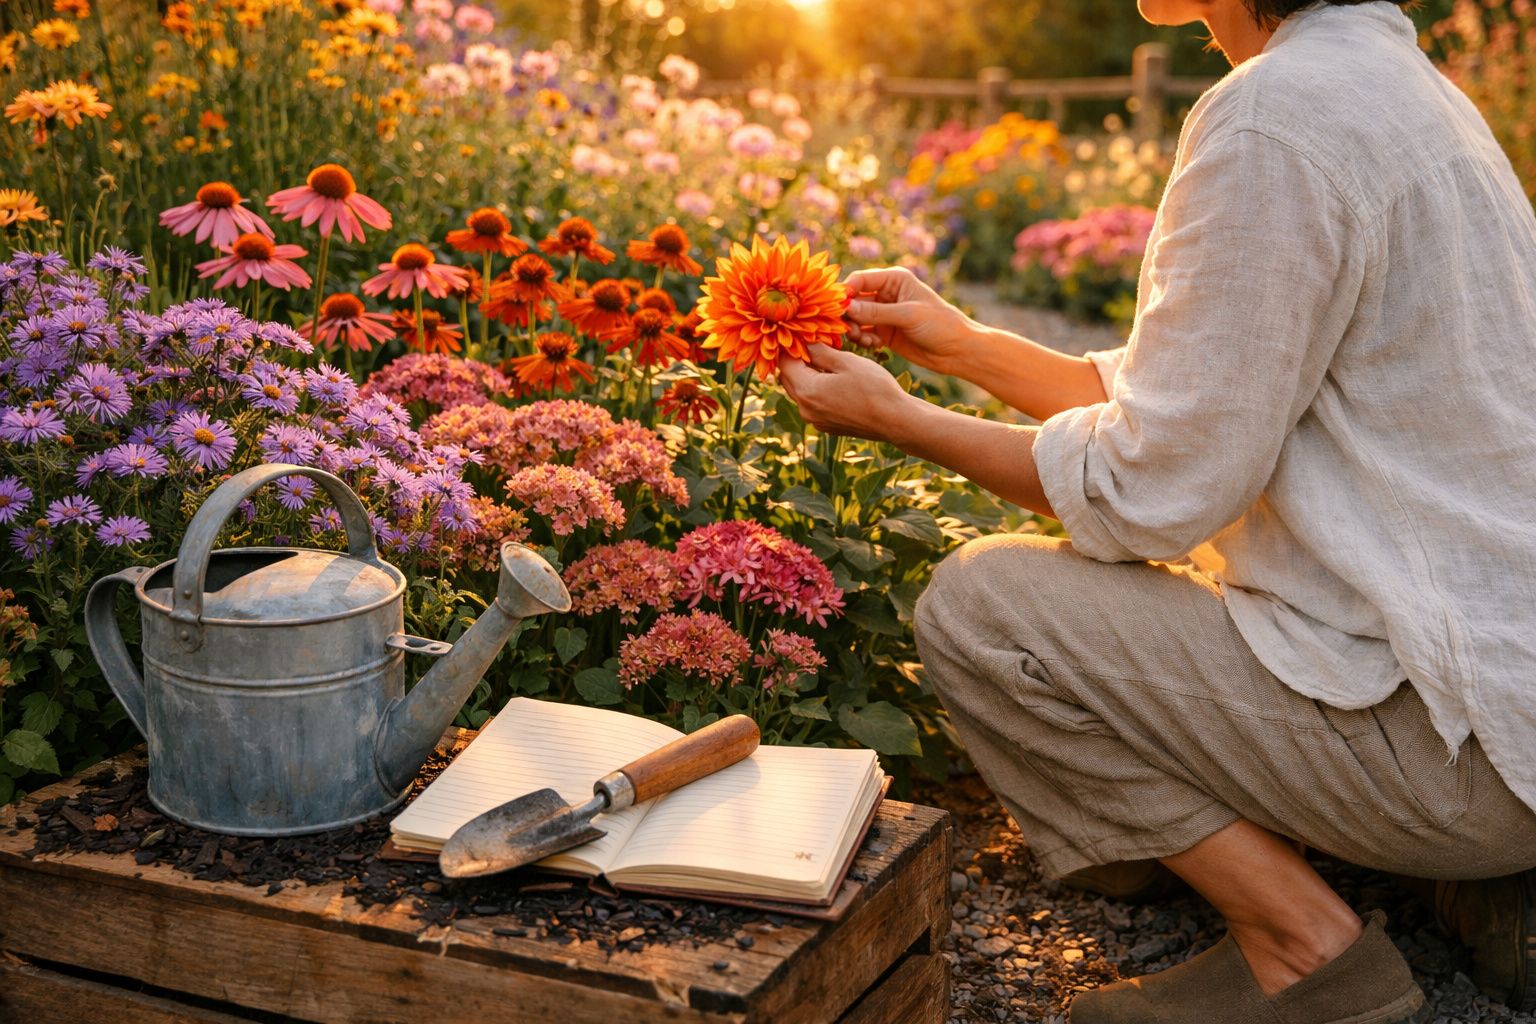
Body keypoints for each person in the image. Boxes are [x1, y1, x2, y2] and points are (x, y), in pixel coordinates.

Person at [777, 1, 1536, 1021]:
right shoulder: (1397, 81)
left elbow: (1151, 489)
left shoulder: (1271, 117)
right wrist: (963, 346)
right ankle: (1286, 857)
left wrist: (902, 420)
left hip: (1460, 755)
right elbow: (1196, 392)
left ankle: (1303, 948)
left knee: (982, 610)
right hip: (1497, 710)